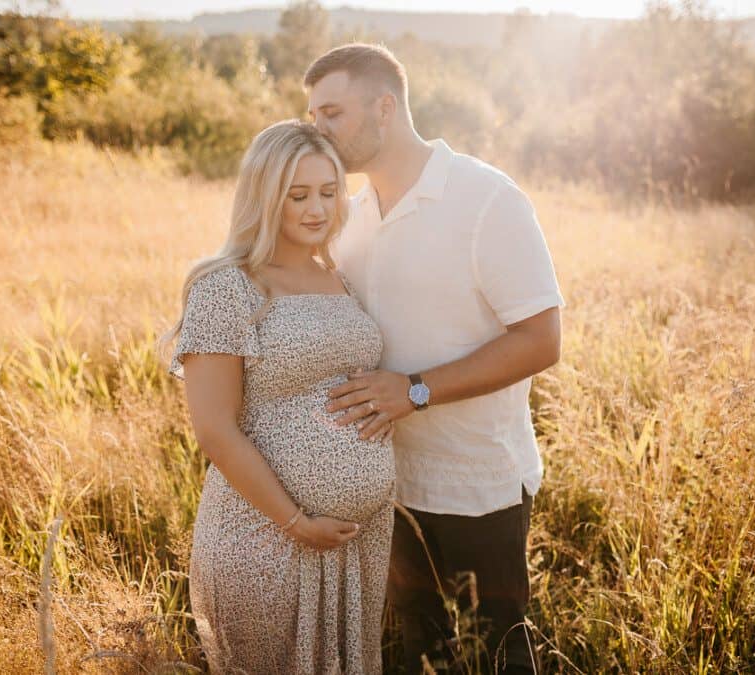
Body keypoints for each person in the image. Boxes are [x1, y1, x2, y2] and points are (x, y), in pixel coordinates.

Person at [304, 43, 566, 674]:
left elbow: (541, 339)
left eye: (331, 112)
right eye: (313, 116)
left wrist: (415, 390)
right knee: (425, 652)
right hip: (385, 482)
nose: (318, 131)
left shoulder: (486, 200)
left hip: (477, 482)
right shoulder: (350, 217)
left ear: (384, 108)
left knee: (496, 652)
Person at [162, 120, 396, 674]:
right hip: (265, 536)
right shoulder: (227, 286)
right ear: (265, 197)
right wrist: (296, 521)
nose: (316, 209)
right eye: (297, 196)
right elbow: (215, 429)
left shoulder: (337, 277)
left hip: (353, 546)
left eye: (328, 191)